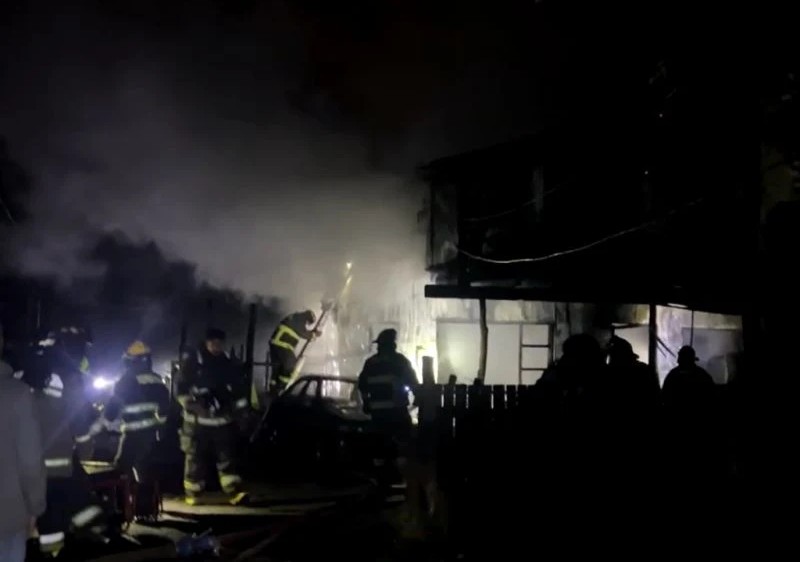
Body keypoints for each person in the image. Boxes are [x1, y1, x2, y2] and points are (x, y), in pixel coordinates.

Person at [22, 337, 104, 557]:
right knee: (71, 508)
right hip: (60, 471)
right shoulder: (65, 385)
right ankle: (91, 536)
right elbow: (79, 425)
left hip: (29, 472)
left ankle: (51, 550)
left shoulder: (22, 385)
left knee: (47, 521)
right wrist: (86, 451)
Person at [177, 328, 249, 506]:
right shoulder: (193, 363)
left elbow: (239, 393)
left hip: (222, 422)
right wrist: (194, 406)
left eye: (219, 343)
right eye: (213, 342)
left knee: (227, 459)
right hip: (197, 422)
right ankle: (193, 493)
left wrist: (241, 414)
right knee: (195, 458)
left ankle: (234, 492)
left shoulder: (229, 365)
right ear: (206, 343)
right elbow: (181, 390)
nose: (216, 346)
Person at [104, 341, 170, 520]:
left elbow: (112, 408)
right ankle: (145, 512)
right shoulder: (156, 379)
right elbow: (165, 408)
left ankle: (120, 509)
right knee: (145, 472)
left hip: (131, 434)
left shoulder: (125, 380)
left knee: (120, 469)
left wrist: (105, 421)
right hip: (150, 434)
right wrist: (160, 427)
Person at [358, 329, 417, 475]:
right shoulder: (400, 362)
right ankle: (400, 474)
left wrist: (366, 402)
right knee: (402, 442)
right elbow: (412, 382)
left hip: (378, 413)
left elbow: (362, 385)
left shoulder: (370, 363)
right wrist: (418, 397)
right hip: (397, 411)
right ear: (393, 345)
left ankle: (381, 476)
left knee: (380, 444)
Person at [269, 310, 321, 392]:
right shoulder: (299, 319)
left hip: (277, 344)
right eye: (308, 322)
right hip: (283, 345)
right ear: (308, 318)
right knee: (290, 366)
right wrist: (314, 335)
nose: (307, 324)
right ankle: (282, 388)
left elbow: (302, 331)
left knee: (277, 369)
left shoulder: (296, 318)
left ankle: (273, 389)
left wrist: (312, 333)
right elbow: (304, 334)